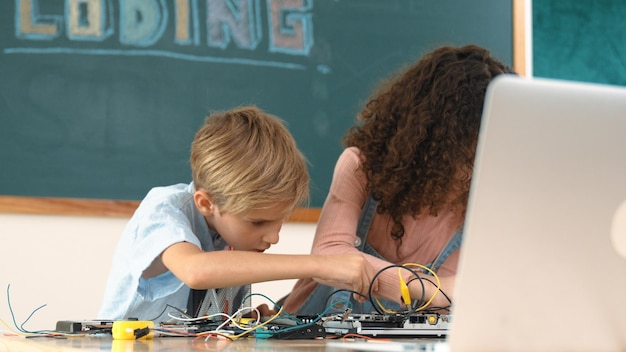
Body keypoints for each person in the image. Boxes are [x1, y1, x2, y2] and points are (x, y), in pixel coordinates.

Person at [282, 45, 515, 315]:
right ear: (436, 138)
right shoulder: (361, 166)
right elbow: (328, 255)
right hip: (314, 327)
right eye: (469, 152)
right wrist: (426, 288)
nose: (477, 167)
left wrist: (429, 290)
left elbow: (449, 298)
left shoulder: (479, 206)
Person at [97, 106, 376, 323]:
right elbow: (197, 271)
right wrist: (320, 265)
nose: (274, 236)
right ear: (206, 203)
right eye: (258, 222)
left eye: (280, 221)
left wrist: (244, 322)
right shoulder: (164, 211)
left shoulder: (236, 237)